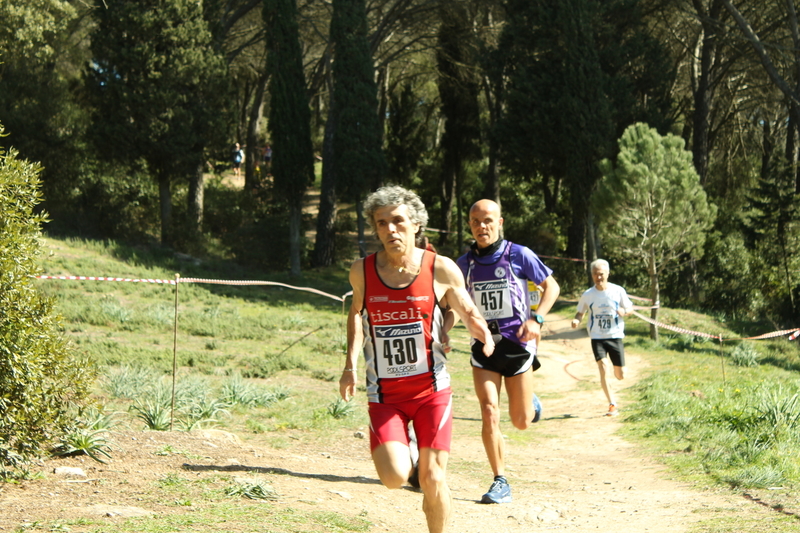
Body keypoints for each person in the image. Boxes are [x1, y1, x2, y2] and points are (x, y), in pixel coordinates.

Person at [340, 186, 495, 533]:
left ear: (416, 224)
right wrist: (349, 367)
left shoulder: (440, 268)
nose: (390, 230)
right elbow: (355, 314)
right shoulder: (361, 271)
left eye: (397, 221)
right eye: (382, 224)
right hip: (385, 396)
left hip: (431, 392)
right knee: (395, 477)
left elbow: (465, 308)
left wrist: (479, 331)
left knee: (433, 478)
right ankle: (411, 455)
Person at [455, 199, 560, 504]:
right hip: (483, 346)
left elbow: (551, 287)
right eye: (475, 221)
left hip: (517, 345)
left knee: (521, 421)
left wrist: (537, 318)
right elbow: (452, 302)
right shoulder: (464, 265)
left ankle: (530, 403)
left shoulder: (519, 254)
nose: (481, 226)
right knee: (489, 411)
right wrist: (443, 331)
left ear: (500, 222)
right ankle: (500, 480)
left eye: (487, 220)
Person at [571, 259, 633, 417]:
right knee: (603, 367)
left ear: (608, 274)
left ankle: (617, 372)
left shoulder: (618, 291)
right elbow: (580, 312)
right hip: (597, 337)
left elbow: (629, 308)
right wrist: (577, 320)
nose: (598, 277)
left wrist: (624, 312)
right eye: (595, 274)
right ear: (591, 275)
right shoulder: (588, 294)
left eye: (601, 274)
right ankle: (612, 403)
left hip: (615, 335)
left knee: (620, 375)